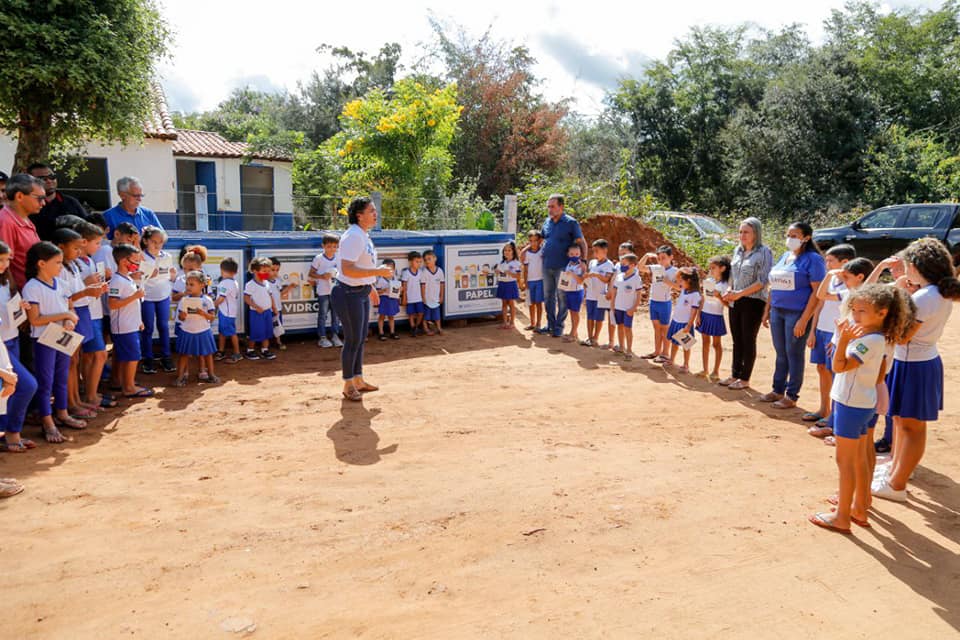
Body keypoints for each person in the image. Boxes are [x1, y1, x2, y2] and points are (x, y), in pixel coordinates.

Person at [809, 284, 913, 534]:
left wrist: (843, 339)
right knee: (860, 456)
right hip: (865, 401)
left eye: (862, 311)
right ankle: (861, 504)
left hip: (850, 403)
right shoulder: (882, 337)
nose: (855, 316)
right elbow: (879, 374)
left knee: (845, 461)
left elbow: (840, 367)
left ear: (882, 313)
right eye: (854, 310)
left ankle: (842, 516)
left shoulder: (867, 340)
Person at [871, 239, 960, 503]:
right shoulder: (933, 292)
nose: (904, 269)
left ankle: (897, 484)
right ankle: (895, 472)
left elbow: (901, 337)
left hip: (915, 365)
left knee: (911, 427)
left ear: (918, 266)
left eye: (907, 264)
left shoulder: (925, 297)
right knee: (901, 422)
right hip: (915, 362)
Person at [330, 196, 393, 401]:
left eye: (375, 211)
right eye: (371, 211)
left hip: (360, 291)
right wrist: (378, 273)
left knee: (360, 338)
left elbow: (361, 266)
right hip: (348, 293)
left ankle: (358, 379)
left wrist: (370, 286)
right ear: (360, 215)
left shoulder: (363, 235)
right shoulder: (354, 236)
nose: (375, 214)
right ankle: (348, 384)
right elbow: (347, 268)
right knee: (353, 339)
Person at [23, 241, 84, 442]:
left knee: (61, 376)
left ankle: (63, 413)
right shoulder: (32, 287)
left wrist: (69, 319)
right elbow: (35, 319)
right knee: (45, 381)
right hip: (43, 339)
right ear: (41, 264)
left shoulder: (62, 284)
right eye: (57, 262)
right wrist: (64, 314)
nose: (61, 266)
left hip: (62, 336)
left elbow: (71, 309)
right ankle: (47, 422)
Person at [760, 222, 826, 408]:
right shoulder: (785, 256)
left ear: (807, 237)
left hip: (797, 313)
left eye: (795, 235)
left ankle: (791, 395)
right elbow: (774, 284)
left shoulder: (813, 259)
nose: (790, 238)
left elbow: (817, 291)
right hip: (777, 311)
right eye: (788, 234)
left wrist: (804, 319)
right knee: (781, 352)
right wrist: (767, 310)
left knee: (794, 353)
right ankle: (777, 389)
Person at [720, 218, 773, 391]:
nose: (742, 235)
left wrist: (739, 294)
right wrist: (729, 290)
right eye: (741, 232)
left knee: (748, 339)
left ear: (756, 233)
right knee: (737, 340)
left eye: (746, 232)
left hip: (753, 301)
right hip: (735, 300)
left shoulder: (764, 252)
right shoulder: (737, 250)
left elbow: (763, 281)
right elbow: (732, 276)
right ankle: (735, 374)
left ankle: (744, 378)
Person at [805, 245, 856, 426]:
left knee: (835, 373)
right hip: (821, 330)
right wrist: (812, 331)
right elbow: (820, 304)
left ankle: (834, 415)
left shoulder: (850, 285)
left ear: (845, 262)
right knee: (821, 369)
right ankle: (823, 408)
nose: (826, 264)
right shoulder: (831, 280)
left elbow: (824, 296)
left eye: (830, 261)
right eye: (826, 260)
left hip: (835, 334)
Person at [53, 227, 100, 419]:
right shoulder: (61, 269)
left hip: (80, 312)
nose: (79, 252)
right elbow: (65, 297)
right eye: (75, 248)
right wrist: (87, 292)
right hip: (69, 314)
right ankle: (70, 403)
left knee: (75, 360)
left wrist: (91, 290)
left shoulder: (73, 265)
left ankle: (76, 400)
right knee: (69, 361)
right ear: (61, 247)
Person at [0, 241, 37, 452]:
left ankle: (9, 433)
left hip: (12, 339)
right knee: (27, 385)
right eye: (1, 260)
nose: (5, 265)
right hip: (2, 346)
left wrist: (21, 308)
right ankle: (12, 432)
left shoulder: (7, 281)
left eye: (7, 260)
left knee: (9, 391)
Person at [74, 222, 112, 409]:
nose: (99, 247)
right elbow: (73, 291)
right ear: (83, 242)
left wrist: (103, 280)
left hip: (94, 312)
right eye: (96, 243)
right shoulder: (75, 264)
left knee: (91, 356)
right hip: (84, 312)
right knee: (99, 354)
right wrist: (87, 283)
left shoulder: (89, 261)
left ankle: (90, 392)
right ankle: (90, 395)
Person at [539, 194, 587, 337]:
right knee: (548, 296)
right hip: (547, 265)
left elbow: (581, 242)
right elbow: (543, 239)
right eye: (548, 206)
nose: (550, 209)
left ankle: (559, 327)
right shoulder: (547, 222)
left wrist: (583, 261)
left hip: (564, 268)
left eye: (553, 206)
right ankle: (550, 325)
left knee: (562, 296)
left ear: (561, 207)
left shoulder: (571, 223)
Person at [109, 243, 152, 399]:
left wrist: (138, 321)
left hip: (130, 325)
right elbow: (112, 303)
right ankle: (128, 387)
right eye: (134, 260)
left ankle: (124, 383)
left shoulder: (126, 278)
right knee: (132, 357)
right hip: (123, 327)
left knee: (128, 356)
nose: (137, 264)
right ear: (123, 261)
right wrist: (135, 296)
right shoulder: (117, 280)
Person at [139, 226, 176, 374]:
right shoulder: (141, 256)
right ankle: (147, 359)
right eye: (154, 241)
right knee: (147, 329)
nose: (157, 245)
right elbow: (137, 277)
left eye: (160, 242)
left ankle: (166, 357)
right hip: (146, 297)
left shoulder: (167, 256)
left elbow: (171, 275)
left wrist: (173, 275)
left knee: (163, 327)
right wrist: (148, 275)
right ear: (146, 241)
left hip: (163, 295)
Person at [173, 271, 219, 386]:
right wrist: (182, 316)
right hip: (187, 330)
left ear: (202, 285)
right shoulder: (184, 300)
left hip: (203, 330)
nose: (188, 287)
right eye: (187, 284)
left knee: (208, 353)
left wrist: (202, 313)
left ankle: (211, 374)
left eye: (192, 284)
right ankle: (180, 377)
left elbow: (212, 317)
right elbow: (181, 317)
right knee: (184, 354)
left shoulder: (207, 300)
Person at [0, 174, 44, 289]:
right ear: (19, 196)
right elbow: (4, 266)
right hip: (19, 296)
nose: (43, 203)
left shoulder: (25, 219)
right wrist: (15, 298)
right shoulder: (5, 222)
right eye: (39, 198)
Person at [26, 163, 88, 242]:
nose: (49, 181)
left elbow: (88, 228)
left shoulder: (71, 202)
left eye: (52, 177)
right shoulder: (27, 204)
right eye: (42, 178)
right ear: (29, 182)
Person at [639, 246, 678, 363]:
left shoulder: (675, 271)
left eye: (664, 258)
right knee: (656, 328)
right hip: (653, 301)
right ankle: (657, 351)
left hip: (665, 303)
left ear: (671, 257)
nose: (661, 261)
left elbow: (680, 287)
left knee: (665, 329)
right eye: (659, 258)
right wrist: (646, 255)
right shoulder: (656, 268)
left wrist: (667, 281)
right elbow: (640, 267)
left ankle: (665, 353)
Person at [698, 256, 731, 380]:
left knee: (716, 344)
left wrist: (719, 297)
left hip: (716, 316)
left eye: (713, 268)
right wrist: (698, 314)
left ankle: (716, 371)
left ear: (722, 268)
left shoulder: (725, 285)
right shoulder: (709, 281)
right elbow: (703, 298)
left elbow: (728, 305)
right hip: (705, 314)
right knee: (705, 342)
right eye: (710, 268)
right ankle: (705, 369)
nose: (710, 270)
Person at [666, 267, 702, 373]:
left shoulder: (695, 295)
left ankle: (686, 364)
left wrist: (689, 325)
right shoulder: (684, 290)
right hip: (676, 321)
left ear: (689, 281)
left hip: (684, 324)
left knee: (686, 345)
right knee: (674, 342)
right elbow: (676, 280)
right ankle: (671, 360)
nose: (680, 282)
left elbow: (694, 311)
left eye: (682, 280)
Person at [309, 234, 342, 348]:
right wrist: (322, 276)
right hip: (323, 291)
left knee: (336, 315)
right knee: (322, 315)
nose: (332, 249)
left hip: (336, 291)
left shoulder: (339, 257)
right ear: (323, 246)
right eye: (329, 246)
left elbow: (342, 272)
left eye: (334, 246)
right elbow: (311, 273)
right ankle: (322, 337)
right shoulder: (318, 258)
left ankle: (335, 336)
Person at [608, 253, 643, 358]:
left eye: (624, 263)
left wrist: (634, 308)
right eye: (621, 263)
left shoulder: (637, 279)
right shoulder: (619, 277)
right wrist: (612, 305)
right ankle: (621, 347)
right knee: (620, 326)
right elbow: (614, 292)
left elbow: (638, 295)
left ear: (632, 265)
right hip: (618, 307)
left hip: (628, 309)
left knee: (628, 328)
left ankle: (629, 350)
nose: (622, 266)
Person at [582, 239, 614, 347]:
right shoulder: (592, 262)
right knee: (590, 316)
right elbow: (588, 276)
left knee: (599, 318)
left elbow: (607, 280)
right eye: (593, 251)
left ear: (604, 250)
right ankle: (589, 337)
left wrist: (596, 275)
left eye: (597, 251)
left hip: (601, 295)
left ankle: (596, 338)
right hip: (590, 294)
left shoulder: (609, 264)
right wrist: (586, 277)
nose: (594, 253)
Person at [243, 257, 277, 361]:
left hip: (267, 312)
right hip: (256, 313)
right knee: (255, 332)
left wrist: (274, 307)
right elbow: (246, 298)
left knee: (267, 332)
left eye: (268, 271)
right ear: (255, 271)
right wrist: (256, 307)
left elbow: (270, 296)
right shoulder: (250, 284)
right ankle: (250, 350)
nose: (266, 273)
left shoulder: (266, 283)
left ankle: (265, 350)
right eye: (264, 271)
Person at [214, 258, 242, 364]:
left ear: (222, 270)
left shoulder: (225, 283)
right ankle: (221, 351)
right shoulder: (233, 282)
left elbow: (221, 298)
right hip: (226, 312)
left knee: (231, 332)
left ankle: (237, 353)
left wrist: (211, 306)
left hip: (227, 313)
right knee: (222, 332)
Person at [521, 230, 545, 332]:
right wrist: (525, 281)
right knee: (531, 303)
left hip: (540, 281)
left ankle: (539, 323)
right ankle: (532, 323)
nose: (533, 243)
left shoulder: (542, 251)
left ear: (539, 241)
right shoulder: (527, 254)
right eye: (531, 241)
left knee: (539, 303)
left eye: (535, 240)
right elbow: (525, 269)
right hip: (530, 281)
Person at [561, 244, 586, 343]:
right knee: (571, 312)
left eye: (577, 253)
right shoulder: (569, 264)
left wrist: (573, 274)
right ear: (568, 254)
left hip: (577, 292)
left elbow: (581, 281)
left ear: (580, 254)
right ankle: (574, 333)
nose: (574, 255)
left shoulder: (581, 265)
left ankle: (573, 333)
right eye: (572, 254)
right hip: (569, 291)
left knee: (575, 313)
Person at [495, 242, 522, 329]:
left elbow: (518, 276)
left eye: (509, 250)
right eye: (505, 250)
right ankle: (505, 322)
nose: (507, 252)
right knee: (504, 304)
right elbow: (497, 273)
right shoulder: (501, 263)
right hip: (502, 284)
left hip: (511, 284)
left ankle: (512, 323)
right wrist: (497, 272)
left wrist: (510, 273)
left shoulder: (516, 263)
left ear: (513, 251)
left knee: (511, 303)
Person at [375, 259, 400, 340]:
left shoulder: (395, 278)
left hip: (392, 299)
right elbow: (377, 292)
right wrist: (384, 290)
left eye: (391, 269)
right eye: (387, 269)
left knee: (391, 316)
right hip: (384, 299)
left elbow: (397, 288)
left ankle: (392, 332)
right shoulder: (381, 280)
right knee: (382, 316)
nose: (389, 271)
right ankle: (381, 333)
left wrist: (400, 289)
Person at [421, 249, 445, 336]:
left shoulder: (440, 271)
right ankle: (426, 329)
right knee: (426, 316)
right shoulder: (424, 272)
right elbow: (423, 286)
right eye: (425, 260)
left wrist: (442, 296)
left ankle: (439, 328)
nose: (427, 261)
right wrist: (423, 297)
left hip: (436, 298)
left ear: (435, 258)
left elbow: (442, 285)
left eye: (429, 258)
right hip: (427, 298)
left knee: (437, 316)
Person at [401, 251, 425, 337]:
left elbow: (422, 285)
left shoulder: (420, 272)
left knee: (421, 313)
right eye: (416, 261)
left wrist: (423, 297)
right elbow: (404, 286)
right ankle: (413, 328)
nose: (419, 264)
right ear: (410, 262)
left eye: (420, 262)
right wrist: (404, 298)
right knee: (410, 314)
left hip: (418, 297)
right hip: (410, 297)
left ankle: (416, 327)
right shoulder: (406, 273)